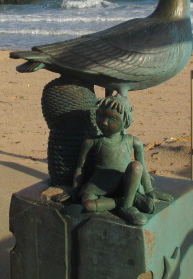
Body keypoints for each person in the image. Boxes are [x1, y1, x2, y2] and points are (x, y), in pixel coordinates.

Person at [68, 95, 172, 225]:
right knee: (88, 205)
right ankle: (128, 199)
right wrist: (74, 189)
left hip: (125, 180)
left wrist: (150, 190)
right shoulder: (92, 142)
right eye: (100, 115)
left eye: (112, 119)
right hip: (99, 182)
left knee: (136, 166)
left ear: (126, 122)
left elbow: (142, 168)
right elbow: (80, 167)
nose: (104, 122)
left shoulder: (133, 141)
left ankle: (127, 206)